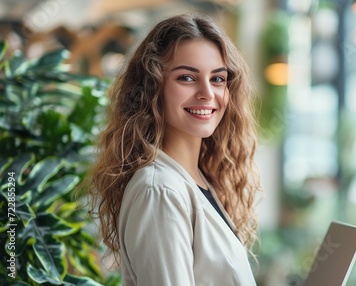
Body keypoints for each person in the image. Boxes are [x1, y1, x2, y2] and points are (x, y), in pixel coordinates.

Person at [85, 13, 261, 286]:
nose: (207, 93)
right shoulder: (160, 190)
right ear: (153, 87)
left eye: (218, 79)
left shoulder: (198, 179)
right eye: (187, 78)